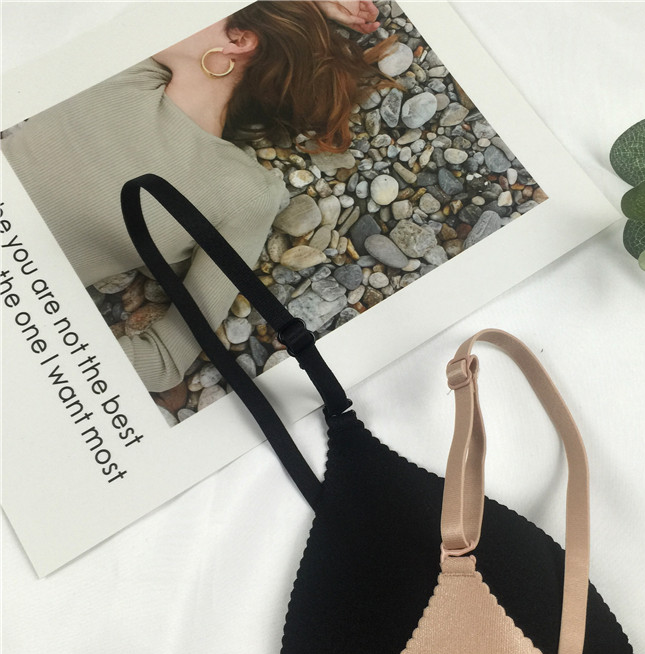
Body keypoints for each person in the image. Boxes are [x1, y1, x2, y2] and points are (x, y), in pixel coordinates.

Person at [1, 0, 393, 392]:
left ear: (239, 41)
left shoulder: (244, 192)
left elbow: (164, 360)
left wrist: (29, 354)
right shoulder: (129, 68)